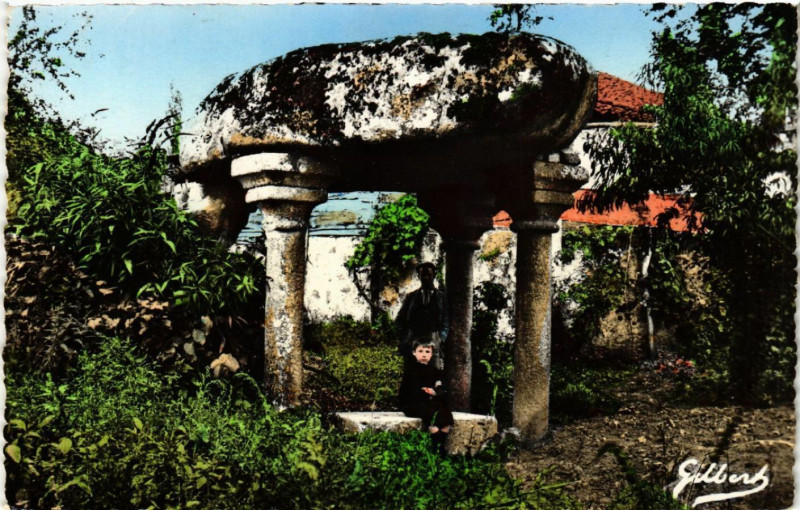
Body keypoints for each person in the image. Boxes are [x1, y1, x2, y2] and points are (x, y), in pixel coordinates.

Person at [399, 339, 454, 456]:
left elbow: (442, 388)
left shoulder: (435, 371)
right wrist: (423, 391)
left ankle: (441, 445)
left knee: (446, 416)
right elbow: (408, 391)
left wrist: (435, 392)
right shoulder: (411, 370)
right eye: (420, 351)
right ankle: (436, 446)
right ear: (414, 353)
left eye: (427, 351)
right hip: (413, 403)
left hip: (430, 402)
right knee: (431, 417)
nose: (424, 354)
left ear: (431, 354)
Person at [396, 262, 448, 370]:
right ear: (419, 277)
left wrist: (441, 337)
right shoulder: (411, 297)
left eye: (429, 274)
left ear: (434, 275)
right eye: (423, 275)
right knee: (413, 373)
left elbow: (446, 320)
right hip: (414, 339)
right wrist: (406, 337)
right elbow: (400, 319)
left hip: (433, 337)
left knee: (434, 371)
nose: (426, 278)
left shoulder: (442, 298)